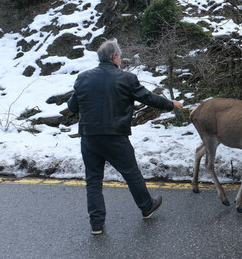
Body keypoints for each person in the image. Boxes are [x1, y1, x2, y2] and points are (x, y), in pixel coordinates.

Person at [68, 39, 184, 235]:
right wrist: (170, 104)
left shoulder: (83, 78)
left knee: (93, 180)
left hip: (89, 138)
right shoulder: (126, 78)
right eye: (120, 56)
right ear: (114, 57)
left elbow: (72, 107)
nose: (120, 60)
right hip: (115, 137)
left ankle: (97, 224)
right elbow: (148, 98)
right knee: (131, 173)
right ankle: (147, 206)